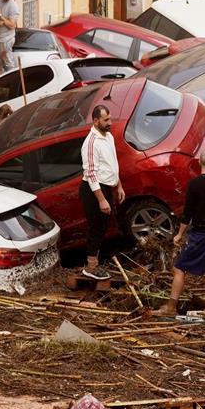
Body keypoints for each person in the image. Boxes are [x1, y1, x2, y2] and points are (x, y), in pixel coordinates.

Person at [158, 149, 205, 317]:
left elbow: (187, 213)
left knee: (179, 268)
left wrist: (179, 234)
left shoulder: (194, 185)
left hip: (200, 235)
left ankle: (171, 307)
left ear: (200, 162)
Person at [79, 103, 125, 281]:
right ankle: (90, 267)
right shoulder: (91, 143)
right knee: (96, 227)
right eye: (106, 120)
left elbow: (112, 164)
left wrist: (118, 185)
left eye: (110, 119)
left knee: (105, 225)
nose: (110, 122)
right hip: (93, 191)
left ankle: (95, 261)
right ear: (96, 120)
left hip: (107, 187)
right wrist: (101, 200)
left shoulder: (109, 137)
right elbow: (90, 173)